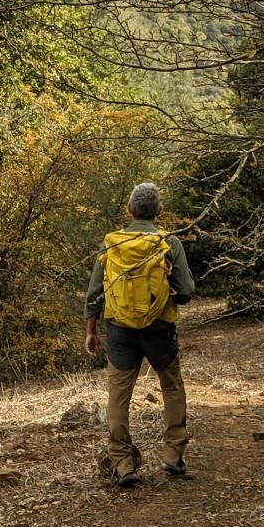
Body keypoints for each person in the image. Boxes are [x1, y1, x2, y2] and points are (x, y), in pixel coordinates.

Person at [84, 182, 196, 487]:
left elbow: (95, 293)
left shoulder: (111, 243)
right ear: (159, 212)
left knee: (118, 398)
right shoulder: (169, 242)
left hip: (120, 331)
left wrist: (91, 331)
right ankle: (173, 455)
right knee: (171, 387)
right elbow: (186, 291)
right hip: (160, 329)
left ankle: (122, 463)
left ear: (130, 210)